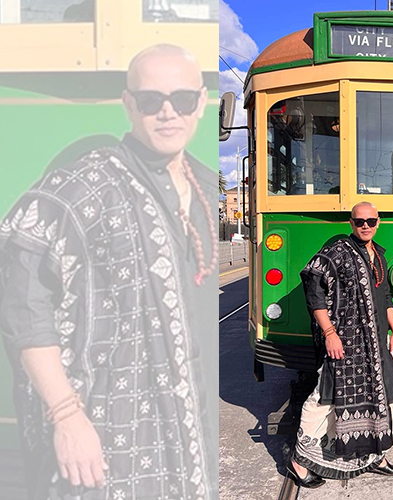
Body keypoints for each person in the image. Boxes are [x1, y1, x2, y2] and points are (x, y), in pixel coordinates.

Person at [0, 44, 218, 499]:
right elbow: (21, 299)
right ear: (128, 104)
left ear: (200, 102)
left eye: (181, 99)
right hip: (112, 438)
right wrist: (65, 416)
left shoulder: (204, 184)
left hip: (193, 438)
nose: (167, 112)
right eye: (150, 100)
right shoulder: (83, 185)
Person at [288, 201, 393, 488]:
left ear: (378, 222)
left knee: (392, 396)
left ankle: (374, 456)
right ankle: (299, 461)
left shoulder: (379, 256)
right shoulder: (338, 251)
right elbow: (313, 289)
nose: (366, 226)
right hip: (345, 343)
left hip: (377, 344)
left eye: (371, 221)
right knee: (325, 398)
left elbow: (386, 296)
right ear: (351, 223)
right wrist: (329, 332)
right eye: (360, 221)